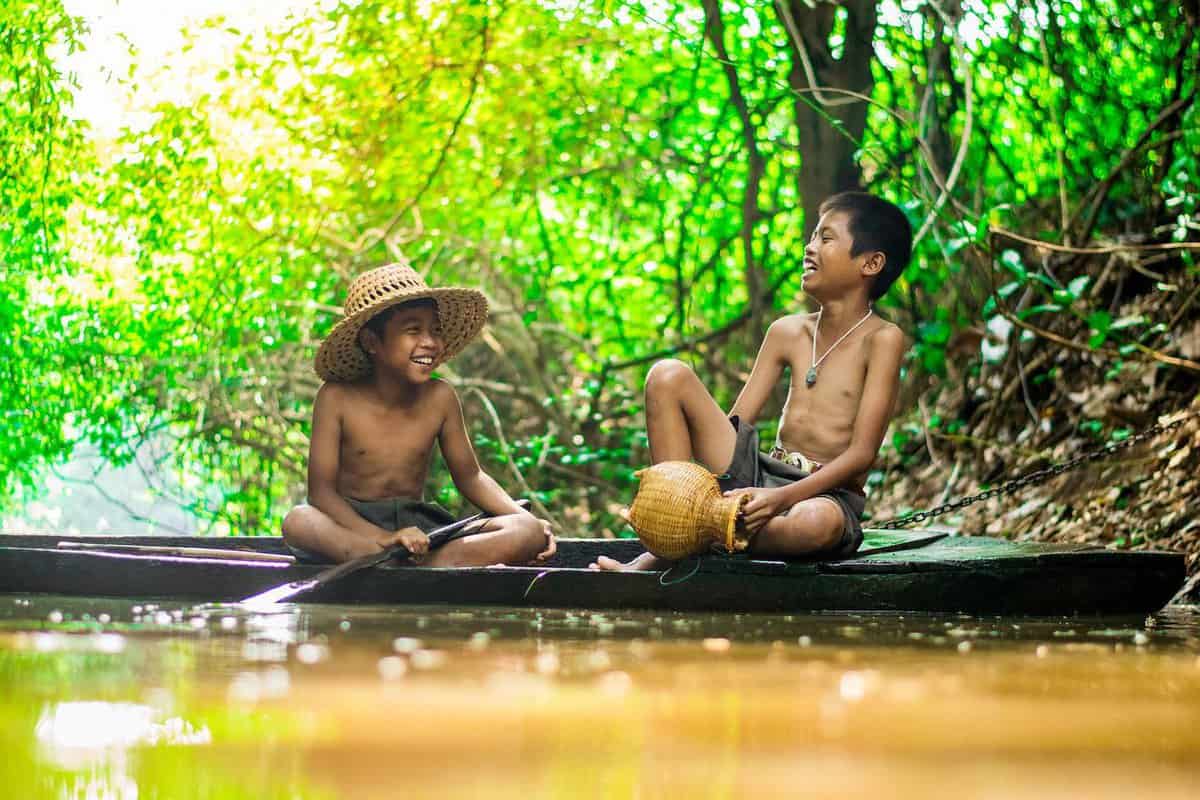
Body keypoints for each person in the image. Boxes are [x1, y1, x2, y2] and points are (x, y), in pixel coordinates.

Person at [593, 192, 911, 570]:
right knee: (667, 375)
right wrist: (705, 487)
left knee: (816, 526)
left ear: (871, 263)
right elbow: (736, 426)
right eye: (811, 237)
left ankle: (697, 536)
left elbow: (861, 455)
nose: (809, 248)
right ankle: (674, 528)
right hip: (761, 472)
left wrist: (780, 499)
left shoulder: (882, 339)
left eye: (826, 238)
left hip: (823, 494)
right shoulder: (787, 332)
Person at [282, 262, 555, 566]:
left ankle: (413, 563)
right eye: (413, 330)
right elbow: (321, 494)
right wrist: (380, 538)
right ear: (372, 342)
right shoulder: (336, 397)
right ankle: (382, 556)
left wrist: (524, 518)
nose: (430, 342)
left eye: (435, 330)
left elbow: (472, 477)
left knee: (525, 530)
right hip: (353, 528)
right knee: (298, 521)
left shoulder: (441, 397)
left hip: (421, 529)